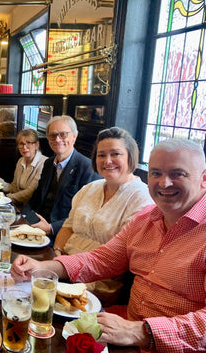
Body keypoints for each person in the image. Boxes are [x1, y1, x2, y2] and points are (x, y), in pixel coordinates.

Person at [11, 138, 206, 352]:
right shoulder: (145, 219)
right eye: (156, 173)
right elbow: (102, 258)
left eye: (178, 174)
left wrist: (141, 332)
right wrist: (44, 267)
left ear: (203, 179)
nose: (164, 183)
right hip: (123, 329)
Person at [52, 127, 153, 305]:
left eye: (115, 154)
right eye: (101, 155)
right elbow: (68, 226)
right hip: (63, 268)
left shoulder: (141, 198)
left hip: (95, 285)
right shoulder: (90, 188)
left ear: (130, 156)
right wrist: (57, 253)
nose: (107, 161)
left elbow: (121, 257)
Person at [22, 115, 101, 240]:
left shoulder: (88, 168)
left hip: (63, 235)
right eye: (52, 135)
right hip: (38, 229)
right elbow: (35, 198)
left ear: (74, 136)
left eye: (63, 134)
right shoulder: (48, 163)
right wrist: (26, 219)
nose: (57, 140)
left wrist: (50, 228)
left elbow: (85, 216)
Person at [0, 129, 47, 206]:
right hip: (18, 205)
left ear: (37, 145)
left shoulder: (44, 163)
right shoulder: (21, 161)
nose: (24, 147)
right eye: (21, 144)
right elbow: (14, 188)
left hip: (33, 209)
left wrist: (5, 198)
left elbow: (30, 192)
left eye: (28, 143)